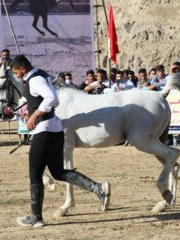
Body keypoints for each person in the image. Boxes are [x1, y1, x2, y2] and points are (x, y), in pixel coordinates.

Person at [10, 55, 110, 228]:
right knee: (58, 172)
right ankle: (98, 188)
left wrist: (34, 115)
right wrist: (31, 112)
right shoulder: (41, 74)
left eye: (16, 72)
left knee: (35, 174)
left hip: (45, 131)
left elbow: (51, 99)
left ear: (22, 69)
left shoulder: (34, 80)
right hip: (55, 129)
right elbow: (48, 100)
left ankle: (36, 218)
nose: (16, 75)